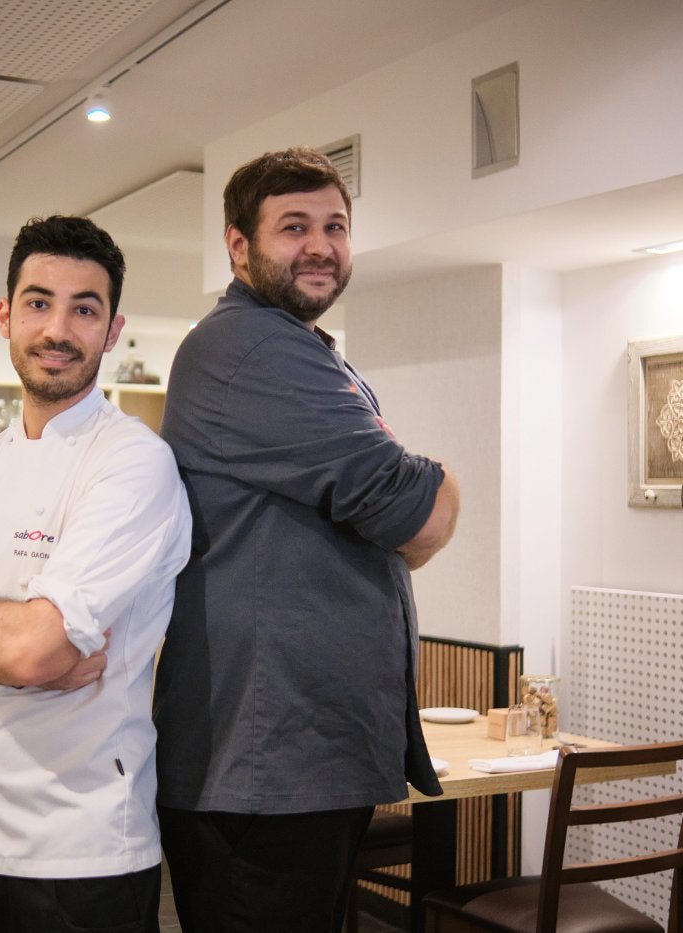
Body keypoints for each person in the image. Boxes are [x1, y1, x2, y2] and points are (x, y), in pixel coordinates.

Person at [153, 147, 460, 931]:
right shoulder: (251, 347)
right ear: (237, 244)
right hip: (264, 765)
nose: (320, 245)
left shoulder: (307, 352)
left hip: (300, 763)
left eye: (336, 226)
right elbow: (422, 514)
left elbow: (404, 519)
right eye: (294, 227)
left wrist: (404, 494)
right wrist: (430, 477)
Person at [0, 215, 191, 933]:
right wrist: (12, 648)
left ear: (112, 330)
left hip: (78, 851)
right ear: (5, 316)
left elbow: (33, 649)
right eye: (38, 302)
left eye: (84, 308)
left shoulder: (133, 463)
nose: (58, 327)